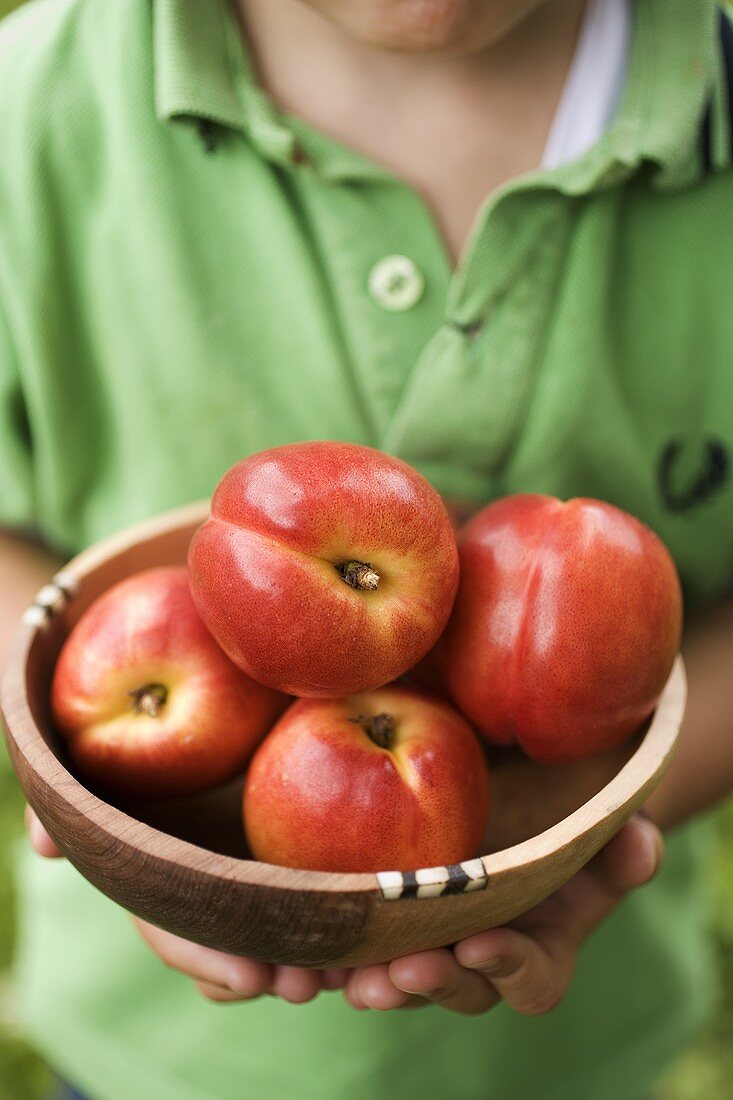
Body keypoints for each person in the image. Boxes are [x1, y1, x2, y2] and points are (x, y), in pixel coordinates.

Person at [1, 0, 733, 1097]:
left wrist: (597, 819)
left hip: (565, 1054)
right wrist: (100, 804)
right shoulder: (36, 106)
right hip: (154, 1053)